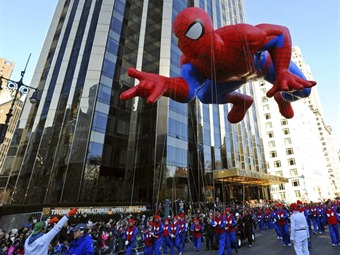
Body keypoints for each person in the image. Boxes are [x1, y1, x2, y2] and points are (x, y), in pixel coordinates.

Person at [120, 7, 316, 124]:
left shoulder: (240, 36)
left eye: (194, 33)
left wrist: (281, 70)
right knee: (204, 95)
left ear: (207, 28)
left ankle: (283, 98)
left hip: (266, 66)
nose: (189, 46)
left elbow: (280, 33)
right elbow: (188, 91)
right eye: (181, 39)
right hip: (229, 79)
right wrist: (166, 84)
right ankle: (241, 101)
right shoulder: (191, 63)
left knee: (304, 91)